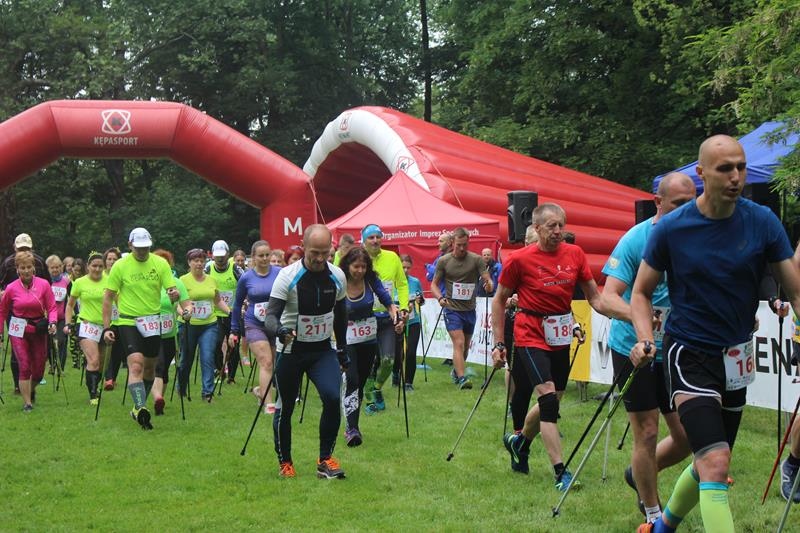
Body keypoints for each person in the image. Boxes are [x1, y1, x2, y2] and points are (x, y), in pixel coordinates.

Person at [629, 135, 800, 533]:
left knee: (709, 462)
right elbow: (639, 292)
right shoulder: (673, 228)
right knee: (716, 462)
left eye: (741, 167)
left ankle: (662, 527)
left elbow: (795, 291)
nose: (736, 176)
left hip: (736, 356)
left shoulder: (762, 221)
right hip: (689, 353)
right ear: (702, 173)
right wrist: (644, 336)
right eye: (725, 169)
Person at [491, 203, 609, 492]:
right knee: (547, 399)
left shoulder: (575, 254)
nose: (558, 231)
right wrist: (499, 343)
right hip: (530, 334)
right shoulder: (519, 260)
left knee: (555, 396)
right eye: (552, 226)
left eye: (561, 226)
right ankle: (560, 471)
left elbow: (595, 298)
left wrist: (631, 315)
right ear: (537, 228)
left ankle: (520, 442)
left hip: (560, 334)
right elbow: (499, 300)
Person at [600, 172, 696, 523]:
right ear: (658, 202)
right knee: (648, 431)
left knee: (687, 436)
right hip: (633, 348)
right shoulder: (636, 239)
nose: (687, 210)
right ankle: (654, 515)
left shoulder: (696, 238)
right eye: (678, 204)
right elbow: (608, 298)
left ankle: (640, 473)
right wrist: (639, 316)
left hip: (676, 347)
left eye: (692, 203)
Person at [263, 224, 349, 479]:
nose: (320, 259)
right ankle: (285, 462)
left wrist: (342, 348)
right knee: (286, 406)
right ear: (303, 247)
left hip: (322, 349)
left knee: (332, 398)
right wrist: (279, 330)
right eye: (314, 253)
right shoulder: (287, 276)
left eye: (325, 252)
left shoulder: (337, 275)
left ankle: (325, 459)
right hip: (291, 350)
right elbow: (270, 316)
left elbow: (341, 315)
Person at [103, 228, 179, 430]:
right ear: (130, 245)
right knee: (136, 365)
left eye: (145, 247)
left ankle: (138, 408)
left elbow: (171, 288)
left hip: (152, 321)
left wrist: (174, 294)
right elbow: (108, 297)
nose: (142, 251)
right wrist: (106, 328)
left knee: (150, 368)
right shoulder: (120, 265)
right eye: (138, 248)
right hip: (128, 321)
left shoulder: (160, 263)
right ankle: (140, 406)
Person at [340, 246, 396, 445]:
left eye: (363, 267)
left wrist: (393, 312)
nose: (360, 271)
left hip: (368, 338)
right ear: (348, 265)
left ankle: (353, 422)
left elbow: (385, 297)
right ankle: (352, 429)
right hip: (346, 339)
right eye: (356, 266)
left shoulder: (370, 279)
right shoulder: (339, 281)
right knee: (352, 380)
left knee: (361, 382)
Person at [431, 227, 494, 389]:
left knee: (465, 347)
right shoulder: (444, 261)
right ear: (452, 243)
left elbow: (487, 279)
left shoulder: (476, 260)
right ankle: (462, 379)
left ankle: (456, 371)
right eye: (458, 245)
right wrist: (440, 298)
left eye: (464, 244)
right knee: (458, 343)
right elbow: (434, 285)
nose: (461, 248)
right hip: (452, 309)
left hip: (470, 310)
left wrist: (489, 284)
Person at [0, 251, 57, 411]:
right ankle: (27, 403)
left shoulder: (44, 285)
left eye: (28, 267)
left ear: (34, 268)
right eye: (22, 268)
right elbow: (2, 311)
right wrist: (0, 332)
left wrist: (52, 322)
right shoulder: (11, 288)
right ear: (17, 269)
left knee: (38, 370)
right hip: (18, 329)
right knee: (24, 365)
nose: (26, 271)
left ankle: (30, 390)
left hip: (38, 328)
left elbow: (52, 307)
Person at [229, 240, 281, 413]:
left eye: (267, 255)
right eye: (261, 256)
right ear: (253, 257)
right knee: (266, 361)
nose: (265, 258)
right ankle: (269, 404)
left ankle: (260, 391)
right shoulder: (247, 278)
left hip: (275, 323)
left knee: (274, 363)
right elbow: (237, 304)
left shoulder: (280, 273)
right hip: (254, 324)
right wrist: (234, 329)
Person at [361, 224, 408, 414]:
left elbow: (402, 284)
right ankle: (369, 400)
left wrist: (403, 307)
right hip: (365, 318)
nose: (375, 240)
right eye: (371, 237)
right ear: (363, 240)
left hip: (387, 317)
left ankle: (377, 388)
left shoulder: (392, 257)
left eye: (378, 236)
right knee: (367, 361)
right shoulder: (358, 258)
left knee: (388, 359)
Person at [178, 247, 232, 402]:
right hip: (188, 325)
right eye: (196, 261)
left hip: (209, 324)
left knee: (208, 357)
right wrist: (183, 313)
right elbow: (177, 304)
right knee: (186, 359)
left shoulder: (211, 280)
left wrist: (230, 312)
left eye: (202, 261)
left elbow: (217, 300)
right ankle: (181, 387)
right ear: (189, 262)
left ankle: (207, 392)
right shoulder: (182, 280)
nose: (199, 264)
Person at [0, 233, 49, 394]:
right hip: (14, 311)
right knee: (18, 352)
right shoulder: (8, 263)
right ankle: (18, 385)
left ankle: (31, 382)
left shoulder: (39, 262)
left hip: (37, 312)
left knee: (38, 353)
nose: (23, 251)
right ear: (15, 248)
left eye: (26, 248)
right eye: (21, 248)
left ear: (31, 248)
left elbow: (47, 284)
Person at [150, 249, 190, 416]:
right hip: (150, 331)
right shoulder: (148, 283)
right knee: (158, 366)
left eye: (165, 264)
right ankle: (157, 397)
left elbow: (185, 304)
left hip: (169, 333)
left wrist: (187, 313)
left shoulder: (176, 283)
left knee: (164, 368)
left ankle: (160, 400)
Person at [64, 252, 107, 404]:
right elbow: (70, 305)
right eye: (94, 266)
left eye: (100, 266)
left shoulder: (110, 281)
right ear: (88, 267)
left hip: (105, 326)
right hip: (86, 324)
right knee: (93, 360)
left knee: (101, 363)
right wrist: (68, 323)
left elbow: (118, 302)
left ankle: (95, 384)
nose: (97, 269)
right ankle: (93, 394)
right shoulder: (80, 282)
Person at [205, 239, 243, 385]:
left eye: (222, 255)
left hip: (233, 314)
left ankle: (231, 377)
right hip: (214, 314)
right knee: (215, 344)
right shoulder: (208, 268)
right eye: (217, 255)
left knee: (234, 346)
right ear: (212, 255)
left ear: (228, 254)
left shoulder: (235, 269)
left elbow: (245, 284)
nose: (220, 258)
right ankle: (220, 370)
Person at [394, 254, 424, 390]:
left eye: (408, 268)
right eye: (403, 267)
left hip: (413, 321)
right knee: (397, 353)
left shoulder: (415, 282)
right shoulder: (392, 282)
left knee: (411, 352)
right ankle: (395, 373)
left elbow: (421, 300)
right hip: (397, 322)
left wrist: (419, 300)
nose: (405, 270)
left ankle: (408, 383)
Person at [426, 231, 453, 364]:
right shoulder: (439, 258)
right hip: (441, 297)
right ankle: (450, 356)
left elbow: (438, 272)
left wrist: (429, 267)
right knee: (449, 328)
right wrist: (432, 270)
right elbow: (430, 277)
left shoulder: (452, 257)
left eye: (441, 241)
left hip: (451, 297)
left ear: (449, 243)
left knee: (454, 328)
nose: (438, 243)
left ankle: (454, 358)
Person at [102, 247, 125, 390]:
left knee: (117, 351)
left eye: (114, 259)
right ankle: (108, 378)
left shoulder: (122, 276)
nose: (111, 261)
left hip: (119, 319)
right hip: (103, 319)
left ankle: (113, 378)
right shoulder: (101, 276)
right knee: (105, 350)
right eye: (109, 259)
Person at [46, 254, 70, 371]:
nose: (55, 269)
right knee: (50, 343)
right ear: (48, 269)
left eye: (57, 267)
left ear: (61, 267)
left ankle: (61, 367)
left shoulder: (67, 282)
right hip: (48, 317)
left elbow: (72, 298)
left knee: (61, 341)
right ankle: (52, 364)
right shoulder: (46, 282)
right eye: (52, 267)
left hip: (62, 317)